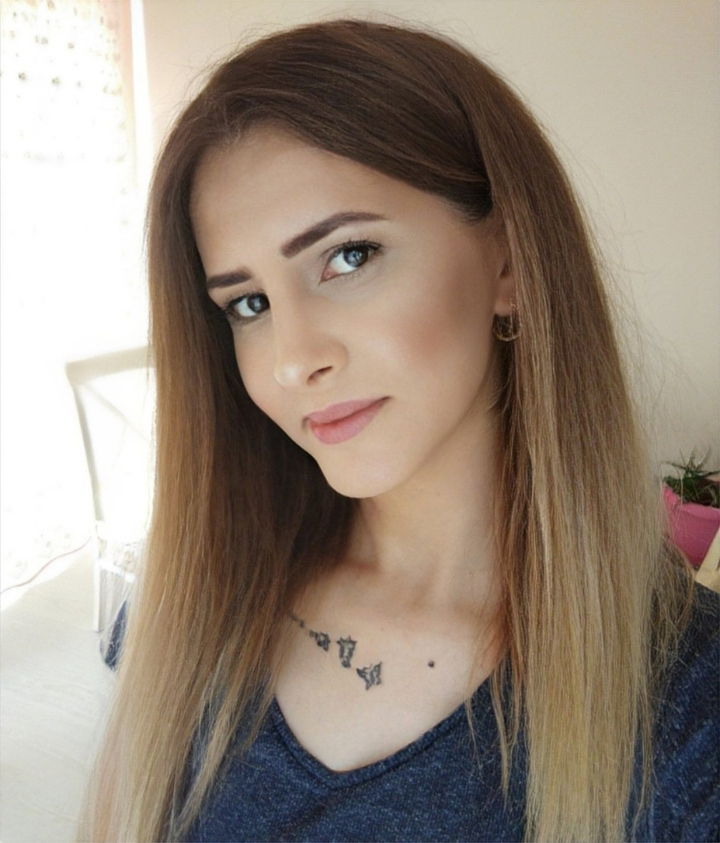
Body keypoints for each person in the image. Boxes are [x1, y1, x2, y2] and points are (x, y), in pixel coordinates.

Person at [78, 18, 719, 843]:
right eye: (248, 303)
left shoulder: (686, 711)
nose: (291, 360)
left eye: (348, 257)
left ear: (510, 261)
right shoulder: (186, 618)